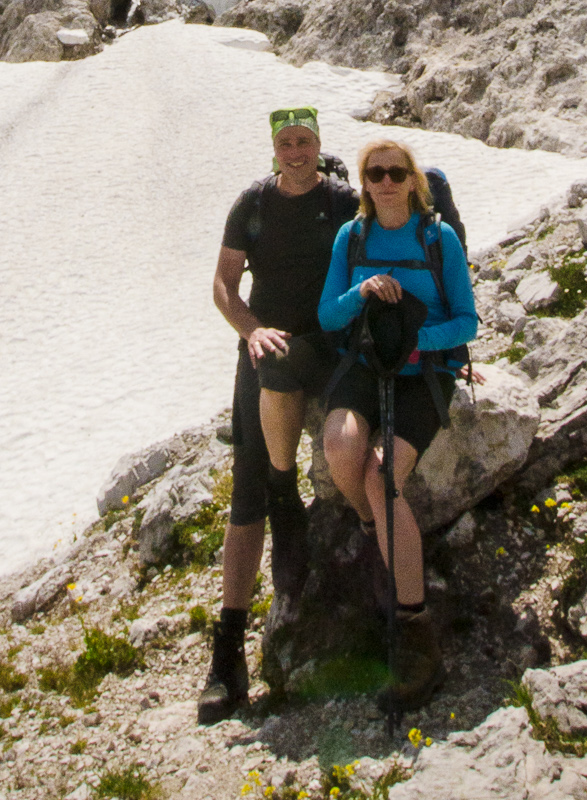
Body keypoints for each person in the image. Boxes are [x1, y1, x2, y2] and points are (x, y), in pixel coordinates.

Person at [197, 105, 359, 724]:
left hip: (327, 346)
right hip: (265, 351)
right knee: (246, 498)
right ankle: (227, 655)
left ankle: (294, 516)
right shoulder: (253, 204)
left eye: (304, 140)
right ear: (274, 147)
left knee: (271, 479)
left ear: (318, 144)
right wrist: (252, 330)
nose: (295, 151)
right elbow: (224, 283)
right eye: (285, 142)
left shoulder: (342, 202)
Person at [319, 136, 478, 713]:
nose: (385, 182)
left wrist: (417, 344)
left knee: (382, 477)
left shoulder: (438, 238)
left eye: (396, 172)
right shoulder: (351, 237)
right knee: (341, 447)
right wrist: (360, 290)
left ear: (414, 181)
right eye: (375, 173)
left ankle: (417, 635)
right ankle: (373, 530)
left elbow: (467, 321)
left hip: (424, 372)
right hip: (364, 365)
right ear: (364, 183)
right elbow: (327, 314)